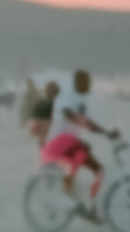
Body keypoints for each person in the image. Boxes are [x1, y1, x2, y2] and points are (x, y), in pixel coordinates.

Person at [40, 69, 119, 223]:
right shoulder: (67, 98)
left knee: (90, 167)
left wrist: (104, 132)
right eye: (83, 82)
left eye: (87, 81)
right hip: (60, 145)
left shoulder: (76, 98)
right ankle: (83, 207)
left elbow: (83, 121)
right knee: (96, 170)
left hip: (66, 143)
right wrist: (106, 132)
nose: (87, 85)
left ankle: (84, 205)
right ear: (75, 82)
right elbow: (73, 117)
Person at [27, 81, 60, 147]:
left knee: (39, 134)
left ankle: (38, 144)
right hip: (43, 118)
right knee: (42, 134)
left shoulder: (45, 98)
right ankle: (40, 145)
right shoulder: (49, 100)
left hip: (40, 117)